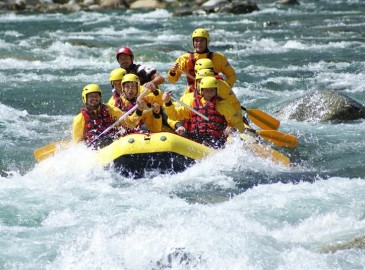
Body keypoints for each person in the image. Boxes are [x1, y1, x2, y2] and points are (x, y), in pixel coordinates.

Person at [162, 76, 245, 149]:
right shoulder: (192, 103)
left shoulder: (224, 106)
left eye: (212, 90)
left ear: (216, 90)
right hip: (195, 139)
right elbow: (174, 115)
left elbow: (239, 124)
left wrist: (232, 128)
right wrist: (168, 102)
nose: (209, 93)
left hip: (215, 141)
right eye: (207, 91)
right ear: (202, 91)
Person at [73, 83, 147, 149]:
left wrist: (139, 110)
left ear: (100, 97)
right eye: (91, 97)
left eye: (96, 96)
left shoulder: (110, 109)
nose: (94, 99)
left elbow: (130, 123)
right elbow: (78, 143)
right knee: (107, 140)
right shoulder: (79, 119)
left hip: (114, 141)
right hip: (95, 147)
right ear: (85, 99)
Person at [167, 28, 237, 87]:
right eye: (196, 40)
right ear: (193, 42)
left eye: (202, 40)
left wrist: (224, 88)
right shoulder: (184, 59)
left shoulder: (219, 58)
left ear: (207, 42)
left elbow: (232, 75)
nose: (199, 43)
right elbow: (172, 80)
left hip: (212, 93)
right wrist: (172, 72)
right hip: (193, 93)